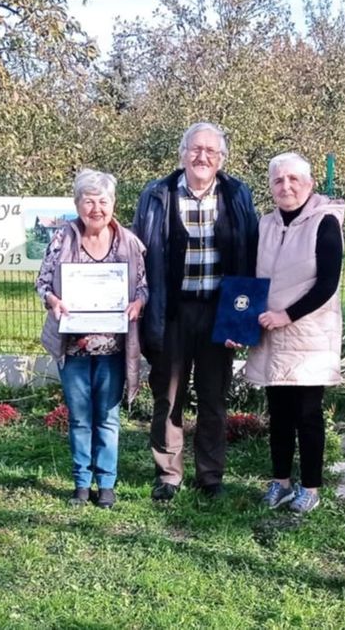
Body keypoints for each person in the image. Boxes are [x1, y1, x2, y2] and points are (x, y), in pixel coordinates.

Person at [132, 122, 260, 501]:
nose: (202, 157)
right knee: (167, 397)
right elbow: (141, 255)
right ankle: (168, 474)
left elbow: (249, 256)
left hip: (220, 311)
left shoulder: (237, 194)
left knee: (213, 398)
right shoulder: (157, 194)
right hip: (171, 310)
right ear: (182, 153)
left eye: (211, 151)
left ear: (221, 158)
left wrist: (243, 319)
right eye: (195, 149)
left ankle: (210, 476)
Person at [240, 152, 345, 514]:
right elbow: (250, 281)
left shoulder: (325, 223)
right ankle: (280, 482)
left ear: (310, 183)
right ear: (270, 186)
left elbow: (327, 284)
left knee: (308, 415)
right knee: (279, 414)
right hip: (272, 334)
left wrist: (288, 315)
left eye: (293, 179)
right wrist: (241, 321)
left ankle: (311, 488)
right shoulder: (266, 225)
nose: (286, 186)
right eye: (278, 180)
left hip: (309, 336)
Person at [37, 169, 147, 509]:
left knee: (108, 418)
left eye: (103, 201)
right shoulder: (62, 240)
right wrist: (53, 300)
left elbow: (144, 285)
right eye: (89, 201)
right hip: (74, 348)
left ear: (113, 204)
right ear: (77, 204)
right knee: (80, 417)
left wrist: (139, 301)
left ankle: (108, 485)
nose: (96, 208)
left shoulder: (130, 242)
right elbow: (42, 283)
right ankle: (82, 484)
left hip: (114, 348)